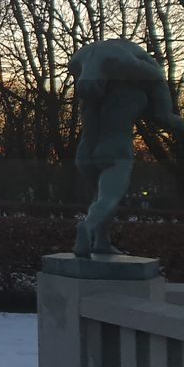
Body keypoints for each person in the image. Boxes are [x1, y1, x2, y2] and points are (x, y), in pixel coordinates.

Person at [68, 39, 184, 257]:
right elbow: (165, 117)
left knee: (101, 196)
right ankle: (87, 227)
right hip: (114, 151)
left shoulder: (83, 62)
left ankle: (101, 242)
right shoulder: (139, 84)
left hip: (84, 154)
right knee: (108, 200)